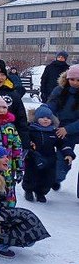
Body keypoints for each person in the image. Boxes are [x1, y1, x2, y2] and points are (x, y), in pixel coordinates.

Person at [0, 145, 51, 258]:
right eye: (2, 157)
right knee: (26, 220)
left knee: (27, 220)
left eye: (7, 156)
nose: (7, 159)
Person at [23, 104, 75, 202]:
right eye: (42, 118)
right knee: (31, 176)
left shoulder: (54, 132)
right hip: (33, 158)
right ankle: (29, 190)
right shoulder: (31, 130)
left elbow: (63, 144)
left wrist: (68, 154)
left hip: (50, 159)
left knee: (48, 178)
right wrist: (28, 144)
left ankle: (41, 193)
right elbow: (24, 140)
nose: (45, 120)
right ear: (36, 119)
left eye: (48, 118)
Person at [46, 64, 79, 192]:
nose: (75, 83)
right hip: (57, 126)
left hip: (73, 129)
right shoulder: (59, 90)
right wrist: (47, 119)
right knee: (57, 156)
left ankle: (56, 178)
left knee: (65, 160)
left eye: (78, 80)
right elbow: (50, 107)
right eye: (72, 79)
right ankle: (50, 178)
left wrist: (68, 129)